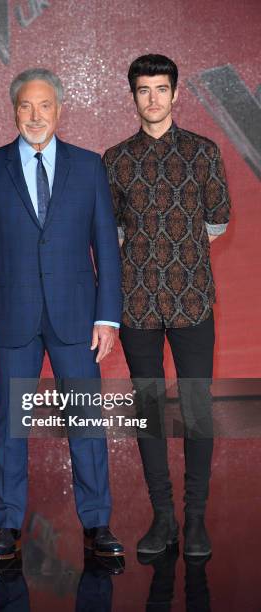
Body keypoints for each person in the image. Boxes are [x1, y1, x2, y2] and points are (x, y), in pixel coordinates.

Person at [0, 68, 124, 560]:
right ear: (15, 110)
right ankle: (7, 526)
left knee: (87, 422)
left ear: (59, 109)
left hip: (78, 317)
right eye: (26, 107)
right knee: (9, 425)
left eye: (45, 106)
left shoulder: (89, 166)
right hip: (11, 318)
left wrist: (108, 317)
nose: (35, 116)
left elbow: (106, 248)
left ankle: (97, 524)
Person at [103, 54, 231, 556]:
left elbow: (217, 222)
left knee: (197, 409)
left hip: (193, 303)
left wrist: (179, 254)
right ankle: (163, 518)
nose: (153, 98)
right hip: (136, 306)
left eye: (161, 89)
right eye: (143, 90)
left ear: (176, 94)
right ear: (132, 96)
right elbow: (111, 233)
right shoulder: (114, 160)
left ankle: (196, 519)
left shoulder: (204, 152)